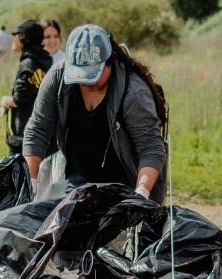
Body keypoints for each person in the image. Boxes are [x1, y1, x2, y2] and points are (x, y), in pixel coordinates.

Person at [23, 23, 168, 203]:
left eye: (93, 75)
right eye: (81, 75)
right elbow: (37, 130)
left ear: (109, 63)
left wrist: (141, 193)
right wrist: (31, 181)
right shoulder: (58, 79)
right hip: (77, 180)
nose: (87, 82)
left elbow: (150, 147)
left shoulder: (133, 93)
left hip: (126, 184)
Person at [0, 19, 52, 155]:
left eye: (15, 35)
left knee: (22, 175)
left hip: (23, 135)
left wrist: (4, 100)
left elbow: (19, 99)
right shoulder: (44, 60)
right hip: (40, 131)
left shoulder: (29, 64)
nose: (12, 38)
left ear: (22, 38)